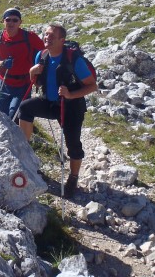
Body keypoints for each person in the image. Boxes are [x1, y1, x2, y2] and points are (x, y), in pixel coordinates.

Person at [16, 24, 97, 198]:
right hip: (50, 102)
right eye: (45, 34)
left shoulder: (73, 59)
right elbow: (38, 83)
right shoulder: (42, 55)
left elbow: (92, 86)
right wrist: (32, 72)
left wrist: (70, 94)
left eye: (51, 36)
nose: (47, 38)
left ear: (62, 40)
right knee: (25, 107)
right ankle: (26, 154)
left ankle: (73, 178)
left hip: (71, 106)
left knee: (73, 144)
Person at [0, 8, 44, 122]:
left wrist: (40, 69)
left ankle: (20, 138)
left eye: (15, 20)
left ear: (20, 22)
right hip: (4, 83)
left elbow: (45, 52)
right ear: (3, 21)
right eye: (8, 20)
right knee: (3, 117)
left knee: (15, 115)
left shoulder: (29, 37)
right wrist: (2, 63)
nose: (11, 23)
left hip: (23, 84)